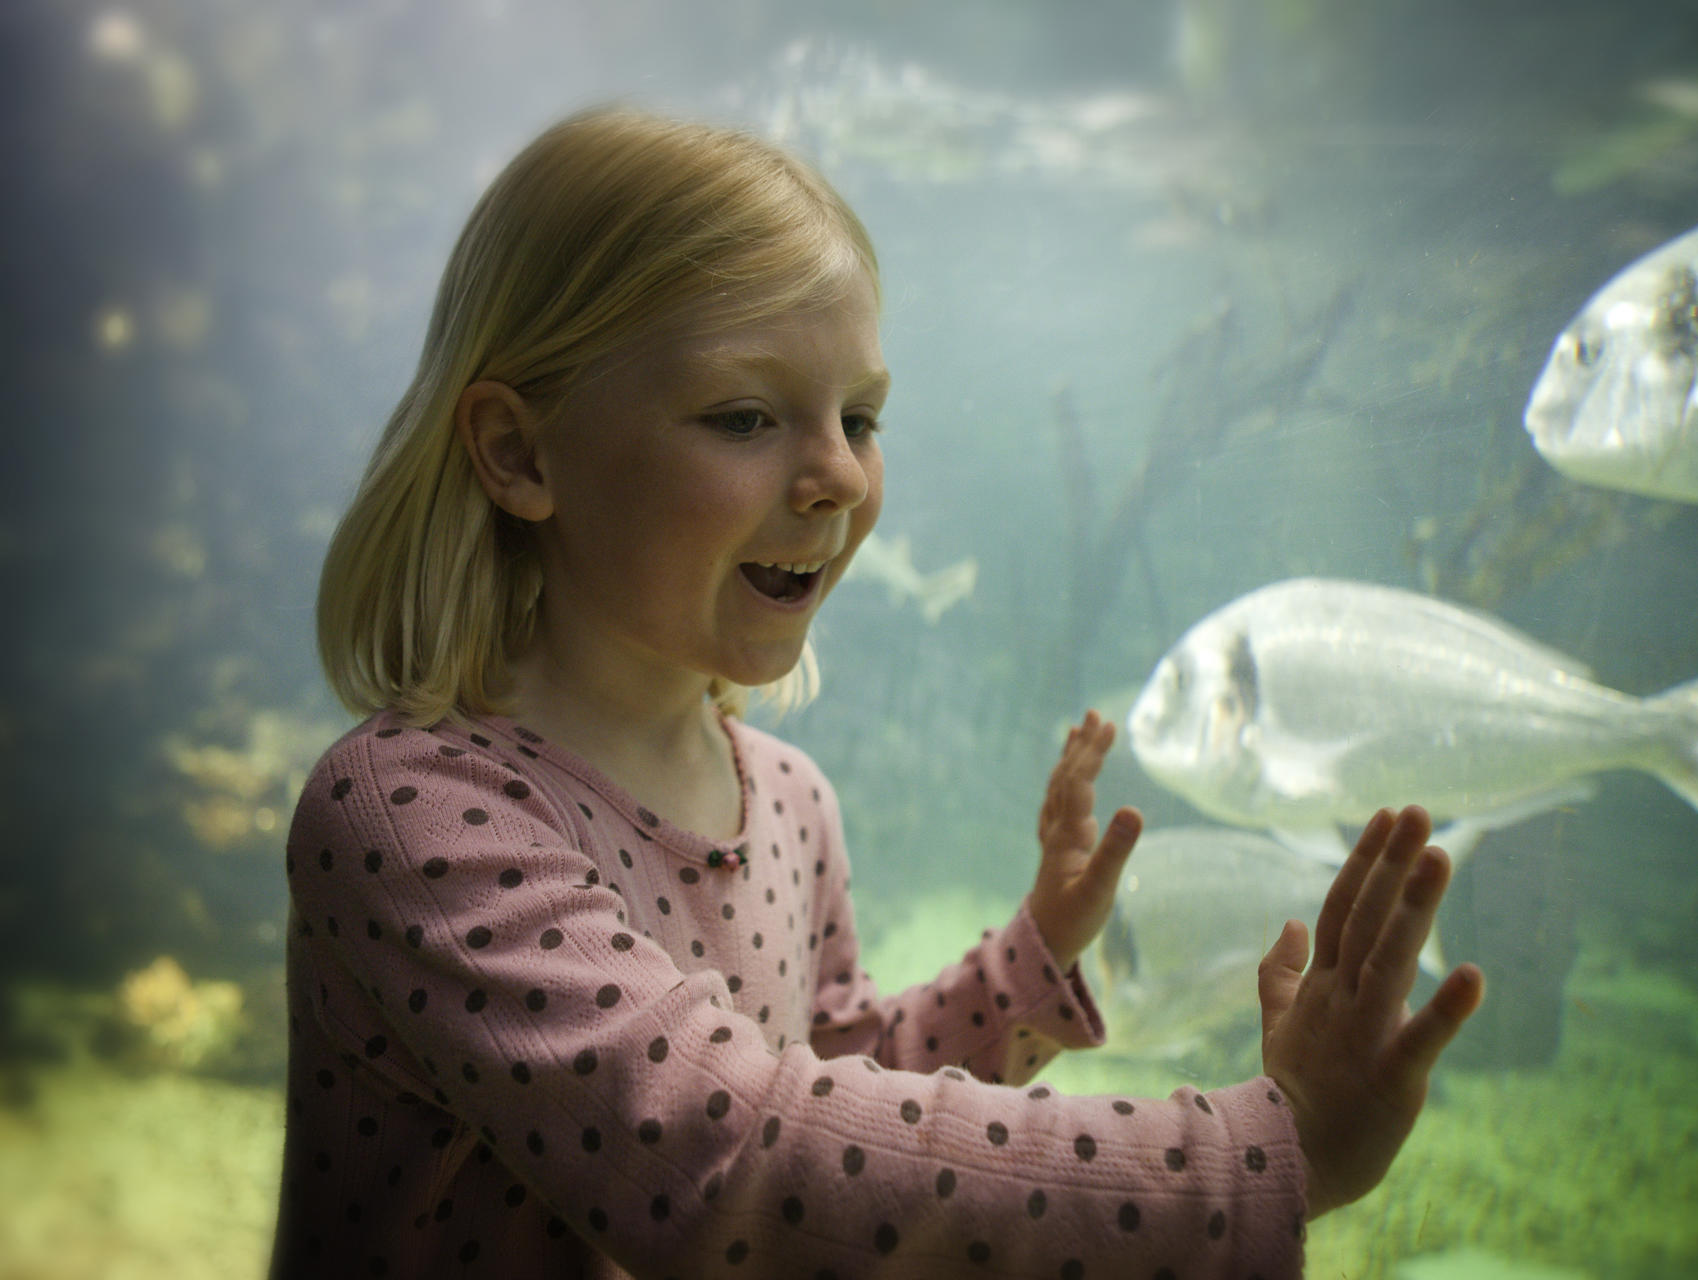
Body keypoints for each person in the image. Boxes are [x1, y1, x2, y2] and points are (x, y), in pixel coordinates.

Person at [270, 106, 1485, 1279]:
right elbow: (742, 1161)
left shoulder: (788, 796)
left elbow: (842, 1069)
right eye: (746, 416)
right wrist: (1253, 1158)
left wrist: (1024, 966)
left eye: (861, 415)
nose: (842, 473)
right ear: (520, 453)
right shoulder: (410, 816)